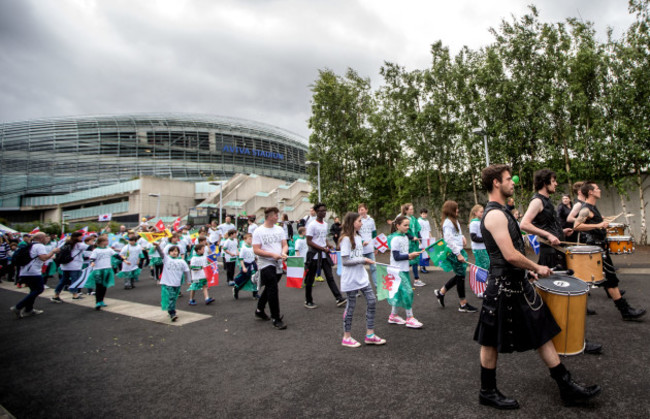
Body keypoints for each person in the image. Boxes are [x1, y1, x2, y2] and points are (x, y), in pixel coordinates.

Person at [474, 164, 601, 409]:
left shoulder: (503, 211)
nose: (513, 183)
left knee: (542, 332)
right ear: (496, 183)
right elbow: (510, 255)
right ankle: (487, 391)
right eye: (509, 179)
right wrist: (536, 268)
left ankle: (566, 386)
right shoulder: (494, 215)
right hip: (502, 287)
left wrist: (526, 273)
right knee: (489, 340)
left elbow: (514, 252)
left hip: (516, 283)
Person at [520, 169, 602, 353]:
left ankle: (569, 339)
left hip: (556, 252)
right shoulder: (537, 201)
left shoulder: (546, 201)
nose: (556, 184)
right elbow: (524, 224)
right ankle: (560, 341)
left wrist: (561, 232)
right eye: (553, 180)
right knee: (556, 300)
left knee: (561, 299)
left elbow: (546, 223)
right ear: (544, 182)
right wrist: (548, 234)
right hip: (549, 255)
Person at [573, 181, 645, 321]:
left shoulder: (593, 208)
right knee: (606, 279)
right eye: (597, 188)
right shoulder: (586, 209)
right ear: (590, 192)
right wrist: (599, 225)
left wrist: (601, 224)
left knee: (609, 279)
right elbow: (577, 225)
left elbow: (592, 225)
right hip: (595, 249)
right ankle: (625, 311)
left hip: (601, 247)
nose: (600, 190)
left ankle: (625, 310)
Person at [338, 212, 385, 348]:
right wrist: (364, 259)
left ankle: (370, 335)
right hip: (351, 279)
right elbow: (345, 261)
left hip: (362, 277)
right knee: (351, 306)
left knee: (371, 301)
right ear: (352, 222)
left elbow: (356, 255)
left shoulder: (358, 237)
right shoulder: (346, 239)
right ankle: (346, 337)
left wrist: (364, 252)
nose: (361, 223)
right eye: (359, 221)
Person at [434, 201, 477, 313]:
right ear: (450, 210)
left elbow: (456, 234)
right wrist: (458, 254)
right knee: (461, 276)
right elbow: (448, 239)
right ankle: (463, 304)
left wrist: (462, 237)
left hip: (458, 250)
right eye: (456, 208)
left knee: (460, 276)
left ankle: (441, 292)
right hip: (454, 252)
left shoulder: (454, 221)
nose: (458, 210)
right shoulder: (447, 223)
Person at [303, 203, 346, 309]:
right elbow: (309, 241)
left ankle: (339, 298)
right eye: (322, 210)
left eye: (325, 210)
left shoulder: (325, 224)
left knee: (330, 277)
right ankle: (308, 300)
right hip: (314, 255)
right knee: (310, 278)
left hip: (324, 255)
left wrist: (328, 244)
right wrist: (322, 248)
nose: (324, 212)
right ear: (317, 212)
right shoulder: (312, 225)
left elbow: (323, 238)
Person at [252, 207, 288, 329]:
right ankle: (276, 318)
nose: (278, 217)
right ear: (269, 216)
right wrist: (272, 254)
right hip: (265, 263)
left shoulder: (279, 229)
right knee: (273, 287)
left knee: (269, 288)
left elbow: (284, 245)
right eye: (276, 215)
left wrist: (283, 252)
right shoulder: (258, 231)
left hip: (278, 262)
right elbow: (256, 250)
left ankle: (259, 310)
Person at [10, 232, 61, 318]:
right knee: (39, 289)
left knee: (33, 290)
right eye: (46, 237)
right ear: (41, 238)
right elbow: (44, 257)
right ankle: (18, 307)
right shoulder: (40, 246)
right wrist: (53, 251)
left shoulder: (30, 245)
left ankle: (29, 309)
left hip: (25, 271)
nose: (47, 239)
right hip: (33, 272)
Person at [387, 216, 423, 328]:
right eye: (405, 225)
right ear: (398, 226)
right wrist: (409, 256)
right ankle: (409, 318)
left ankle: (393, 316)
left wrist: (411, 256)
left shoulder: (405, 237)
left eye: (408, 225)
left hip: (403, 269)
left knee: (398, 294)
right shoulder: (395, 239)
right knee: (408, 292)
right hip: (397, 270)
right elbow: (396, 256)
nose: (408, 227)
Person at [153, 240, 190, 322]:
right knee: (171, 297)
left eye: (176, 251)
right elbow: (161, 253)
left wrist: (189, 280)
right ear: (169, 252)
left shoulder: (181, 261)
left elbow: (187, 271)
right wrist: (157, 246)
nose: (174, 253)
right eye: (172, 251)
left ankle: (171, 309)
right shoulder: (166, 259)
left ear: (178, 253)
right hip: (167, 283)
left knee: (174, 298)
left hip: (177, 283)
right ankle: (172, 313)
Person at [85, 236, 124, 311]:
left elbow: (116, 255)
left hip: (107, 269)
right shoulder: (96, 250)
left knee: (104, 286)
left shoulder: (109, 249)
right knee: (99, 286)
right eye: (106, 241)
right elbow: (92, 258)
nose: (107, 242)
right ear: (101, 242)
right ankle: (98, 302)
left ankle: (101, 300)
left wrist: (124, 260)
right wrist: (92, 262)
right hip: (98, 270)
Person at [51, 231, 87, 302]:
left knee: (63, 280)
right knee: (75, 280)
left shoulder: (66, 243)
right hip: (75, 265)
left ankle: (56, 294)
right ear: (77, 237)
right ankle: (75, 294)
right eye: (81, 236)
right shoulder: (79, 244)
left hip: (65, 265)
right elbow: (88, 246)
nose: (82, 237)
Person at [357, 204, 378, 287]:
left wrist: (376, 247)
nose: (361, 211)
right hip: (360, 249)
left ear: (366, 210)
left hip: (370, 248)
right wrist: (362, 241)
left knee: (374, 267)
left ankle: (377, 286)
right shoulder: (357, 220)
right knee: (359, 269)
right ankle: (358, 287)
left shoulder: (371, 220)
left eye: (362, 209)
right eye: (359, 210)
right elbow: (355, 233)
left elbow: (374, 233)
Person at [233, 233, 259, 299]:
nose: (251, 240)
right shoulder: (243, 248)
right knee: (243, 279)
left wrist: (257, 262)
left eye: (252, 239)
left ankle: (255, 293)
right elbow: (241, 259)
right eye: (249, 239)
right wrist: (244, 267)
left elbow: (255, 256)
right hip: (246, 266)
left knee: (255, 279)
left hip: (253, 265)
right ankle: (236, 288)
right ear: (245, 240)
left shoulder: (253, 247)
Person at [469, 205, 489, 270]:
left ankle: (482, 280)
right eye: (481, 212)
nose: (483, 213)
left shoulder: (479, 222)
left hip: (482, 247)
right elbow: (473, 237)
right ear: (475, 213)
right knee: (483, 267)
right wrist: (486, 239)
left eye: (483, 212)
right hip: (478, 248)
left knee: (484, 266)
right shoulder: (474, 223)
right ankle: (479, 280)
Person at [417, 209, 432, 274]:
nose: (424, 215)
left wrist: (431, 237)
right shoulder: (418, 221)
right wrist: (419, 240)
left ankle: (424, 266)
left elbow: (429, 230)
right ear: (420, 214)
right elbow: (417, 231)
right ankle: (422, 267)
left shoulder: (427, 221)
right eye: (423, 214)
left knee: (428, 253)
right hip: (422, 239)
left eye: (425, 214)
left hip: (427, 239)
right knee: (422, 253)